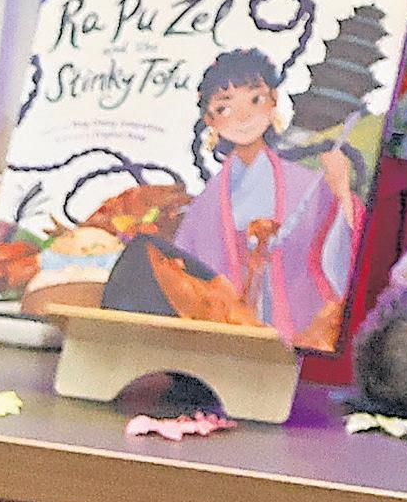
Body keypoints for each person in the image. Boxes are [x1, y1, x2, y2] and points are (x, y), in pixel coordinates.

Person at [153, 47, 362, 348]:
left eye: (255, 99)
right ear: (210, 119)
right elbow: (185, 273)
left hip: (294, 332)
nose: (244, 116)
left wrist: (341, 189)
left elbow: (342, 253)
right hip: (224, 338)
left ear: (273, 100)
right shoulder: (205, 206)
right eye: (225, 108)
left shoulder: (306, 184)